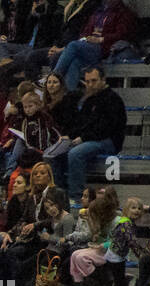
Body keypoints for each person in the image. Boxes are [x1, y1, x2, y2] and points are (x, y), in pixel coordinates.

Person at [52, 65, 125, 202]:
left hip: (109, 141)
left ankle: (76, 197)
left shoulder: (113, 99)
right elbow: (81, 124)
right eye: (88, 81)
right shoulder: (89, 99)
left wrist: (83, 138)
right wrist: (70, 136)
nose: (90, 84)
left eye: (94, 80)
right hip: (89, 138)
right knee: (54, 153)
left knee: (75, 153)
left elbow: (107, 128)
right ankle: (60, 195)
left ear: (103, 80)